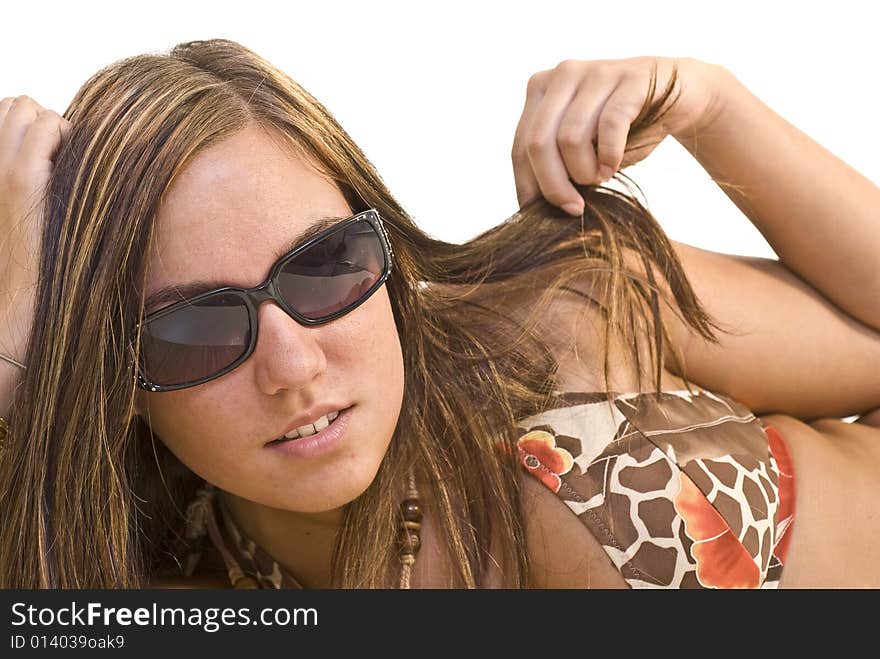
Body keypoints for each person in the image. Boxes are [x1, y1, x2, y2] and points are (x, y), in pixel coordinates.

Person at [0, 39, 878, 590]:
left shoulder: (567, 313)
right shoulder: (178, 556)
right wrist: (9, 345)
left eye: (324, 266)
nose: (295, 367)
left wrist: (712, 105)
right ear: (112, 374)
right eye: (196, 328)